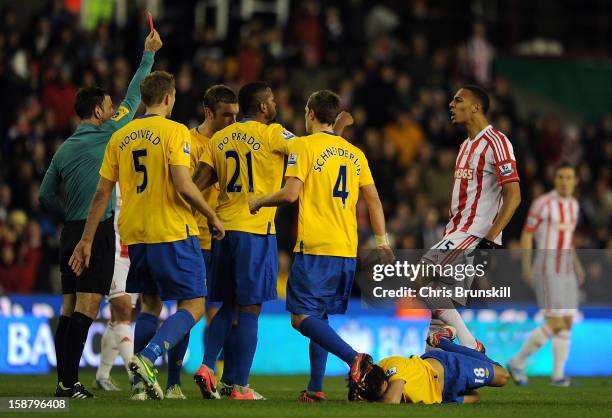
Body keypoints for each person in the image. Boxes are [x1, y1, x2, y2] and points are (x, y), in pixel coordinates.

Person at [68, 70, 224, 401]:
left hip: (134, 234)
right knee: (194, 303)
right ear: (168, 98)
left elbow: (101, 193)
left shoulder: (121, 136)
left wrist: (86, 239)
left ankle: (138, 387)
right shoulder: (175, 131)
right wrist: (210, 214)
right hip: (171, 229)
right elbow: (184, 184)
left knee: (150, 306)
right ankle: (148, 358)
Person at [192, 82, 353, 400]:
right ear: (263, 107)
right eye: (272, 100)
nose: (277, 104)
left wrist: (207, 217)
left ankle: (208, 366)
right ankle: (238, 385)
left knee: (227, 305)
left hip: (223, 230)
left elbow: (197, 184)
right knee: (250, 309)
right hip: (255, 230)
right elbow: (315, 149)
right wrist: (337, 129)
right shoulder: (274, 134)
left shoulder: (219, 138)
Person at [39, 30, 162, 399]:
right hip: (98, 230)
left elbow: (45, 195)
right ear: (98, 112)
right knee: (87, 309)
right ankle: (68, 383)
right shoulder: (109, 132)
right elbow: (136, 96)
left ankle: (63, 382)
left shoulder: (62, 150)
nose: (114, 110)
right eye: (109, 107)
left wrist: (67, 219)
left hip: (70, 230)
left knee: (68, 307)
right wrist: (147, 56)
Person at [249, 90, 394, 402]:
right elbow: (374, 201)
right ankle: (316, 388)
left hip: (315, 247)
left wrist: (259, 200)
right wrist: (382, 241)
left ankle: (355, 359)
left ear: (310, 113)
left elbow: (290, 195)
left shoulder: (302, 146)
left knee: (301, 318)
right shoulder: (354, 153)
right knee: (320, 318)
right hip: (345, 250)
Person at [422, 84, 521, 352]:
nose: (451, 105)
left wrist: (489, 240)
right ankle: (437, 369)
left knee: (419, 277)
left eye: (457, 100)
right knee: (439, 307)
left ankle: (471, 345)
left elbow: (514, 195)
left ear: (476, 107)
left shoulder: (497, 143)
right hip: (455, 231)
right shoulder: (465, 145)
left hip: (473, 233)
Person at [508, 162, 584, 387]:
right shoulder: (543, 204)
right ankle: (517, 362)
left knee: (567, 321)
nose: (564, 181)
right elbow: (527, 234)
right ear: (555, 179)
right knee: (557, 322)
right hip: (548, 268)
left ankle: (558, 376)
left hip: (567, 269)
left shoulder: (573, 205)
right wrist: (526, 265)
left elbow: (568, 240)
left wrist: (577, 266)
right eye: (560, 177)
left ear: (575, 181)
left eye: (569, 177)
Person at [189, 85, 239, 398]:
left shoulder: (233, 142)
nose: (233, 121)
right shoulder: (188, 141)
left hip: (220, 238)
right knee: (192, 310)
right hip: (193, 236)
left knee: (222, 312)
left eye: (236, 115)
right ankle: (172, 381)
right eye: (226, 115)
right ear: (209, 113)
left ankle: (218, 378)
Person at [350, 334, 510, 404]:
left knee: (503, 377)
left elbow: (391, 401)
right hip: (444, 395)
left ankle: (447, 343)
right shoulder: (381, 385)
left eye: (381, 391)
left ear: (382, 380)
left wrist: (368, 402)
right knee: (475, 397)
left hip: (452, 369)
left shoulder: (392, 366)